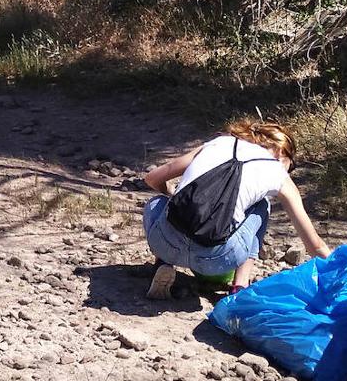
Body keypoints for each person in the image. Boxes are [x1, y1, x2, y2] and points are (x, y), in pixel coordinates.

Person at [141, 119, 330, 300]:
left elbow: (152, 178)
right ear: (282, 152)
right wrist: (342, 272)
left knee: (156, 203)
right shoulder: (278, 173)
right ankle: (239, 287)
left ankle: (163, 263)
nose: (289, 171)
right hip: (216, 260)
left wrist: (172, 193)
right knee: (262, 205)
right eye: (292, 164)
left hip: (164, 244)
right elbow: (315, 246)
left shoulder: (217, 143)